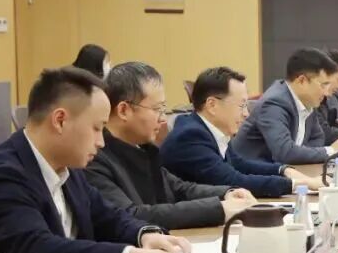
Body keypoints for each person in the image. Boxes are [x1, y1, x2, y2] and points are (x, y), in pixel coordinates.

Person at [0, 67, 192, 253]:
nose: (101, 142)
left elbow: (106, 216)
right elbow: (38, 248)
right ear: (60, 120)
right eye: (97, 128)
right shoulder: (2, 176)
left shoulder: (68, 166)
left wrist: (143, 235)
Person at [86, 63, 257, 231]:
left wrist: (227, 193)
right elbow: (131, 215)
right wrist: (219, 209)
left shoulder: (142, 148)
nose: (163, 119)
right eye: (157, 109)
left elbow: (179, 188)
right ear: (124, 110)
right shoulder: (93, 158)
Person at [162, 67, 325, 198]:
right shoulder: (191, 136)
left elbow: (240, 164)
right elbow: (233, 180)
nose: (246, 114)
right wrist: (298, 184)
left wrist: (283, 170)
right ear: (212, 105)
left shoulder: (210, 130)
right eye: (241, 105)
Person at [231, 49, 338, 165]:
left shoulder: (308, 101)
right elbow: (284, 152)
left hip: (283, 171)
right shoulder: (274, 103)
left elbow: (317, 138)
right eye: (323, 85)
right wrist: (331, 150)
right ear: (301, 81)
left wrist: (303, 154)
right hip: (250, 175)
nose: (326, 92)